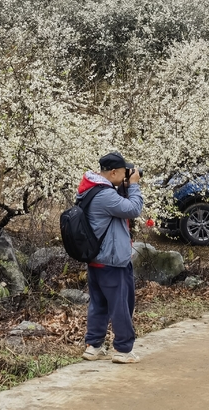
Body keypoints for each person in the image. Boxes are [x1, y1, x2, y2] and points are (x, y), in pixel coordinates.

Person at [78, 150, 144, 363]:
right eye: (124, 172)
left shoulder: (91, 190)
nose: (126, 176)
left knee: (99, 303)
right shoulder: (105, 195)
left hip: (97, 258)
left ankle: (94, 346)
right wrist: (133, 185)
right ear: (114, 171)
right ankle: (123, 350)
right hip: (112, 259)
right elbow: (134, 209)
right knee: (121, 304)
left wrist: (124, 187)